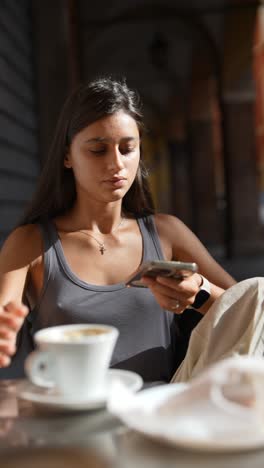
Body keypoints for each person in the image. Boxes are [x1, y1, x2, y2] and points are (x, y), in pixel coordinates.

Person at [0, 76, 254, 384]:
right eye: (98, 150)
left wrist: (200, 292)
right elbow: (4, 312)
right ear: (67, 155)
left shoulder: (167, 233)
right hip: (73, 421)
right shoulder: (31, 242)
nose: (116, 164)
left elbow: (249, 313)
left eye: (127, 148)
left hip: (158, 415)